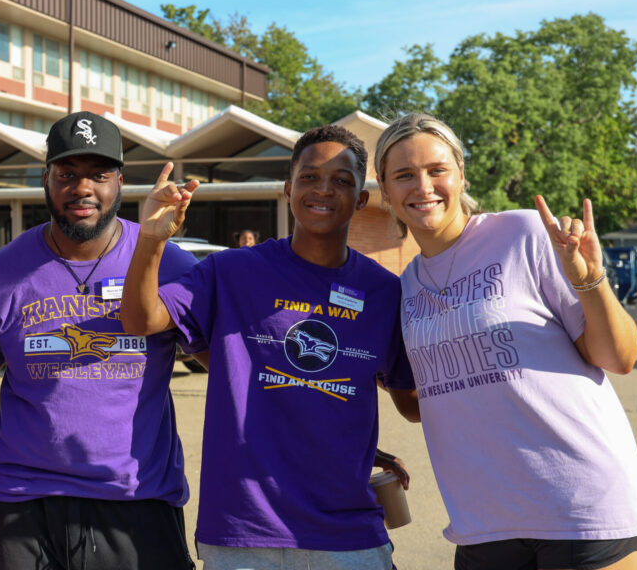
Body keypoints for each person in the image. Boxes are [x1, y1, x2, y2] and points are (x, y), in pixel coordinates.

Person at [120, 125, 419, 570]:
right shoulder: (233, 271)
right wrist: (151, 239)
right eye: (310, 176)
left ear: (361, 198)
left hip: (348, 534)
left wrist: (358, 446)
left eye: (342, 180)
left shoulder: (383, 292)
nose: (324, 189)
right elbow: (140, 320)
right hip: (244, 532)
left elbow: (411, 405)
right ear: (287, 189)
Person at [375, 112, 637, 570]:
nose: (423, 186)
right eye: (404, 175)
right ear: (385, 192)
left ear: (461, 174)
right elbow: (423, 401)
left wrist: (591, 281)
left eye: (436, 170)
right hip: (484, 521)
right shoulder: (405, 287)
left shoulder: (522, 234)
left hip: (583, 508)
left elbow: (618, 358)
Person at [0, 111, 199, 569]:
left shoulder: (168, 261)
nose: (82, 188)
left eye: (98, 174)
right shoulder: (2, 271)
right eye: (67, 174)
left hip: (135, 500)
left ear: (119, 181)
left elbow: (230, 363)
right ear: (46, 179)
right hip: (20, 499)